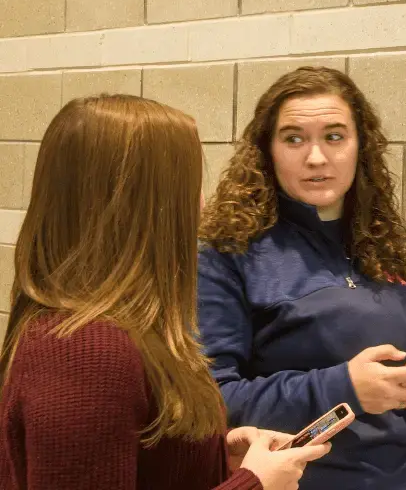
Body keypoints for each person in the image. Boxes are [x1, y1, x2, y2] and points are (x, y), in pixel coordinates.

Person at [0, 95, 329, 490]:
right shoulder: (85, 352)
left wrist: (210, 457)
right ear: (144, 206)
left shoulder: (114, 334)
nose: (202, 204)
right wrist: (254, 485)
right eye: (189, 187)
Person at [197, 67, 406, 490]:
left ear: (361, 147)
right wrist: (343, 388)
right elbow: (211, 401)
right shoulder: (229, 250)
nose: (316, 157)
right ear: (267, 150)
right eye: (294, 138)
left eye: (334, 137)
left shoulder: (398, 241)